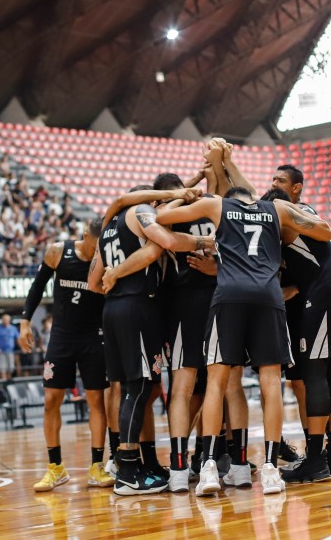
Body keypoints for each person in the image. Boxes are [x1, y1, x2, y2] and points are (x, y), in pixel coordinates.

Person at [153, 163, 331, 498]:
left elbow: (160, 218)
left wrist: (197, 220)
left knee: (217, 383)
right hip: (268, 298)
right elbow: (323, 231)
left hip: (229, 297)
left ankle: (207, 465)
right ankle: (269, 469)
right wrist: (292, 224)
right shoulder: (276, 208)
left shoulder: (217, 205)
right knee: (270, 384)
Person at [89, 185, 215, 496]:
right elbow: (166, 243)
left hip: (111, 310)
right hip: (137, 306)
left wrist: (115, 273)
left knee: (131, 388)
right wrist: (204, 241)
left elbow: (93, 283)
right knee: (141, 387)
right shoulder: (141, 212)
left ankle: (132, 464)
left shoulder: (107, 226)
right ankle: (129, 469)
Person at [260, 165, 331, 483]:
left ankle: (318, 459)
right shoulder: (306, 213)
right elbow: (293, 284)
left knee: (315, 374)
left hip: (327, 294)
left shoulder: (287, 218)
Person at [19, 218, 115, 492]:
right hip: (61, 336)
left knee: (96, 399)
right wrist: (25, 321)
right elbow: (37, 287)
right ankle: (55, 468)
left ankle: (97, 466)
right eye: (96, 246)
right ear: (85, 236)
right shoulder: (57, 251)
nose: (99, 252)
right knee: (51, 399)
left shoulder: (108, 257)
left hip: (94, 336)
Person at [0, 314, 19, 379]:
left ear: (9, 320)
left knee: (10, 368)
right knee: (3, 368)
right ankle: (4, 384)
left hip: (10, 351)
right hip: (1, 352)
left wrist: (24, 348)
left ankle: (9, 383)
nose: (5, 321)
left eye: (6, 319)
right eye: (4, 319)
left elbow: (18, 339)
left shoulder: (13, 328)